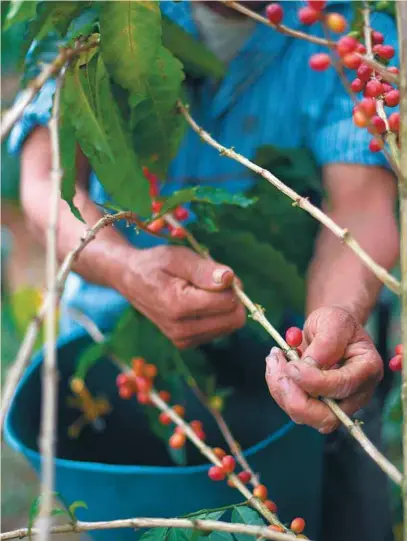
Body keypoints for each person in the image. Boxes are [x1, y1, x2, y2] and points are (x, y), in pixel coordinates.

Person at [8, 1, 399, 540]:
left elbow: (358, 208)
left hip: (282, 354)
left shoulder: (348, 33)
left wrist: (335, 317)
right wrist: (123, 267)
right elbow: (45, 184)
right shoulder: (83, 13)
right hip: (113, 339)